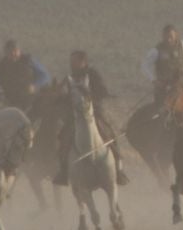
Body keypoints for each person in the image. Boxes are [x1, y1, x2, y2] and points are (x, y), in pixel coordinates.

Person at [54, 50, 129, 187]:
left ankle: (119, 169)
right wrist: (59, 97)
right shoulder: (69, 78)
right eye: (71, 62)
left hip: (94, 113)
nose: (72, 64)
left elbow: (102, 91)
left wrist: (89, 94)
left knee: (109, 134)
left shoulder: (93, 75)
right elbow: (66, 97)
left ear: (83, 62)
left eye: (75, 61)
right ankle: (63, 171)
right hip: (75, 116)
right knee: (63, 137)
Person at [0, 40, 51, 107]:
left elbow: (45, 75)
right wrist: (2, 99)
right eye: (9, 51)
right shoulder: (1, 68)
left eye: (15, 50)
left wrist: (35, 85)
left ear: (19, 51)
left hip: (32, 100)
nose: (13, 53)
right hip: (13, 103)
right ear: (5, 53)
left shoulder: (29, 60)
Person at [140, 25, 183, 96]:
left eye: (171, 36)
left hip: (180, 84)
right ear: (162, 36)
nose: (168, 39)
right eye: (166, 37)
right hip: (163, 86)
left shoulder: (182, 45)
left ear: (176, 35)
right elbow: (145, 66)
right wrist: (154, 80)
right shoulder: (156, 50)